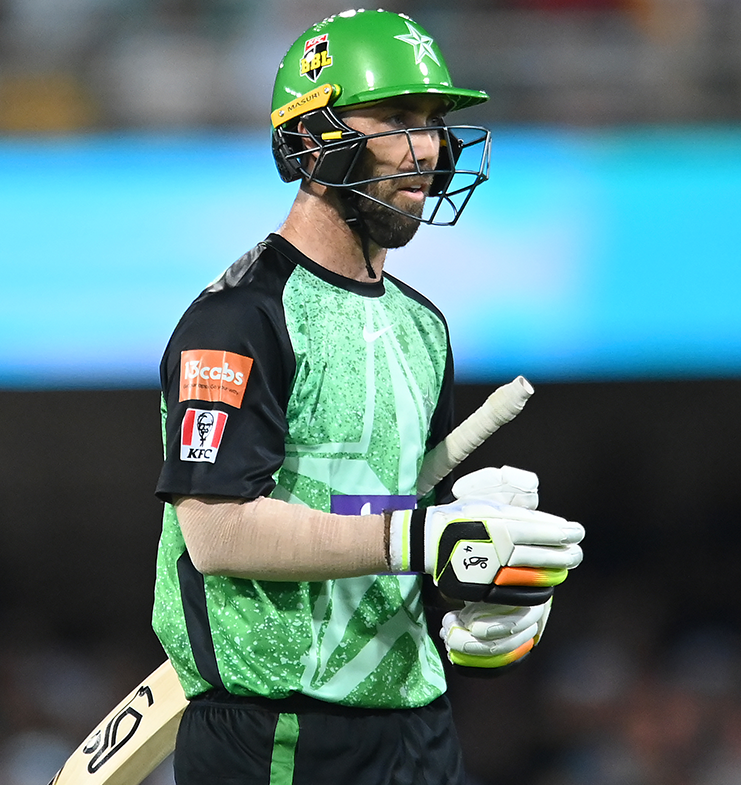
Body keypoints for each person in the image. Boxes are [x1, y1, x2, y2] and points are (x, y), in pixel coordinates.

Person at [151, 9, 585, 784]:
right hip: (278, 733)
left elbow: (406, 537)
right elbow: (218, 534)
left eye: (432, 122)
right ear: (314, 135)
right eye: (395, 118)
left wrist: (487, 590)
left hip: (418, 728)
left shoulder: (425, 325)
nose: (426, 149)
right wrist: (419, 539)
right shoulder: (238, 317)